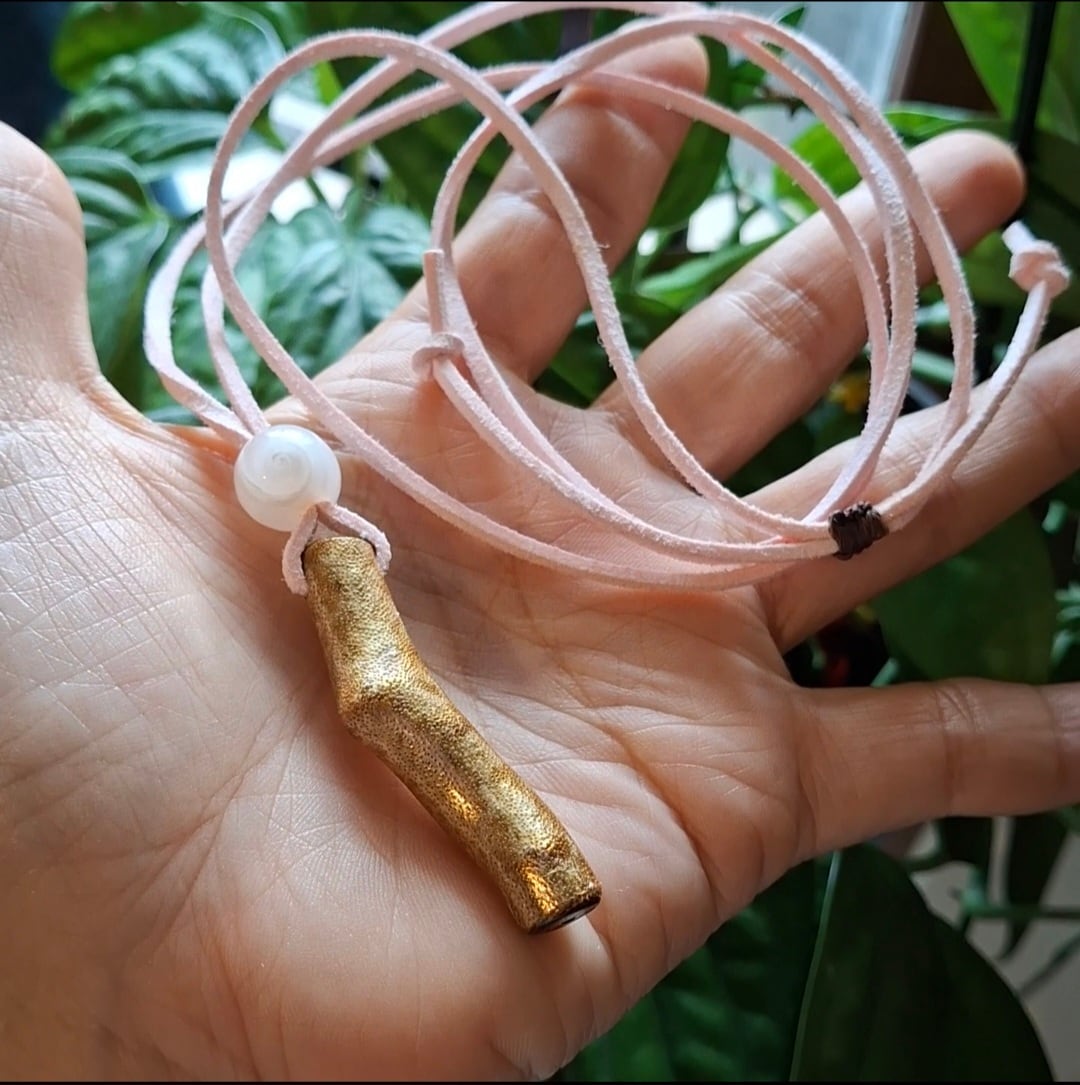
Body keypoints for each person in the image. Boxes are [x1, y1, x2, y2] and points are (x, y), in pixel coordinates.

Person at [0, 37, 1076, 1081]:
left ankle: (541, 865)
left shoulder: (330, 543)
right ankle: (538, 863)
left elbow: (379, 689)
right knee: (384, 690)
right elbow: (377, 691)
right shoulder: (323, 553)